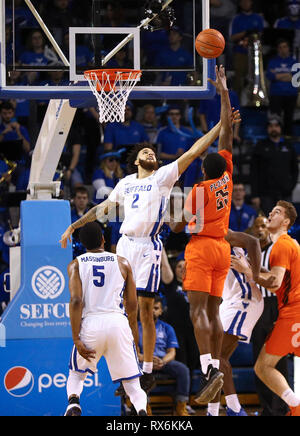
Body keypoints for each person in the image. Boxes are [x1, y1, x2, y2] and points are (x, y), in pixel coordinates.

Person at [60, 72, 241, 394]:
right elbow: (100, 212)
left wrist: (218, 127)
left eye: (152, 152)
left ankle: (144, 370)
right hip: (123, 246)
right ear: (135, 160)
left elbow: (195, 151)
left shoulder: (163, 177)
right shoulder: (125, 183)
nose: (150, 153)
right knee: (125, 310)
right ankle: (134, 366)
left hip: (147, 248)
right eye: (145, 152)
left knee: (144, 309)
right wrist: (74, 225)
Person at [169, 66, 238, 404]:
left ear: (202, 170)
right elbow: (226, 133)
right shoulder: (227, 178)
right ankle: (215, 370)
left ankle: (209, 367)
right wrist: (224, 92)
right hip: (223, 249)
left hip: (202, 247)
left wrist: (173, 220)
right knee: (213, 312)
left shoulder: (198, 188)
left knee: (197, 312)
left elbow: (186, 226)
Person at [64, 222, 147, 417]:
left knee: (77, 374)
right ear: (103, 239)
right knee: (133, 386)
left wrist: (76, 338)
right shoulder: (123, 263)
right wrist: (134, 335)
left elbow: (76, 301)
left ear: (82, 244)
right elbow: (133, 304)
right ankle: (142, 411)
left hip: (91, 324)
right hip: (118, 323)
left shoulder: (76, 264)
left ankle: (74, 404)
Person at [235, 201, 300, 416]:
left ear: (287, 222)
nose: (272, 213)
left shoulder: (281, 245)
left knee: (263, 367)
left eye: (277, 212)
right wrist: (252, 267)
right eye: (272, 210)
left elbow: (274, 283)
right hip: (291, 310)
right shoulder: (288, 244)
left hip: (291, 312)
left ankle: (294, 407)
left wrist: (248, 272)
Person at [207, 229, 264, 416]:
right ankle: (213, 411)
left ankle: (235, 408)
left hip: (243, 299)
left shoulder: (223, 234)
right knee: (213, 361)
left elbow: (254, 241)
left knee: (217, 359)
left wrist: (252, 273)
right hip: (230, 300)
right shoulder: (207, 241)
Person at [250, 215, 290, 416]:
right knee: (258, 360)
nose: (260, 229)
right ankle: (266, 408)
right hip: (256, 308)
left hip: (276, 305)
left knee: (276, 362)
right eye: (256, 226)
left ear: (269, 228)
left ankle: (281, 409)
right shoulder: (250, 254)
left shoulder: (276, 250)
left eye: (263, 225)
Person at [138, 296, 191, 416]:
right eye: (150, 308)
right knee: (136, 371)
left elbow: (172, 352)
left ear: (161, 311)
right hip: (144, 362)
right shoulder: (137, 327)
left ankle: (181, 406)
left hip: (162, 362)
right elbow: (135, 353)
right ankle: (144, 406)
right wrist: (148, 360)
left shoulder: (167, 328)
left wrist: (162, 361)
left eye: (156, 308)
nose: (152, 311)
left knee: (183, 369)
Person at [160, 248, 199, 373]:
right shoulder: (171, 284)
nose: (182, 268)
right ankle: (183, 392)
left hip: (194, 330)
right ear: (174, 269)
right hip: (177, 332)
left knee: (195, 363)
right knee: (183, 363)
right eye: (179, 266)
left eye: (185, 266)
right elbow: (165, 267)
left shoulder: (195, 284)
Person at [250, 116, 299, 215]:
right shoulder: (260, 146)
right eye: (271, 126)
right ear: (267, 129)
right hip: (266, 194)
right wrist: (255, 195)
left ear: (280, 128)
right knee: (270, 223)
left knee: (285, 222)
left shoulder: (288, 146)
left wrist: (290, 187)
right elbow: (254, 171)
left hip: (285, 194)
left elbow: (295, 170)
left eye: (276, 126)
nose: (274, 128)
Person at [230, 0, 265, 98]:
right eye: (243, 1)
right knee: (239, 78)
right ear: (240, 4)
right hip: (240, 52)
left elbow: (263, 35)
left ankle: (255, 100)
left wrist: (254, 35)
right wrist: (245, 33)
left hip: (256, 53)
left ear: (251, 2)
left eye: (248, 1)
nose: (246, 3)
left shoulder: (258, 18)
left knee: (255, 78)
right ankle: (237, 102)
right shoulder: (236, 19)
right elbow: (232, 37)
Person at [266, 39, 298, 136]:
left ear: (288, 48)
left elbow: (296, 78)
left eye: (284, 47)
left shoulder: (294, 62)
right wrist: (288, 75)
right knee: (275, 119)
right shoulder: (273, 61)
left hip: (291, 94)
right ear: (277, 49)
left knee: (289, 118)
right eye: (280, 47)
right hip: (276, 94)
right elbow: (270, 76)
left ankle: (288, 138)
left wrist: (278, 75)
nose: (282, 49)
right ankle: (275, 136)